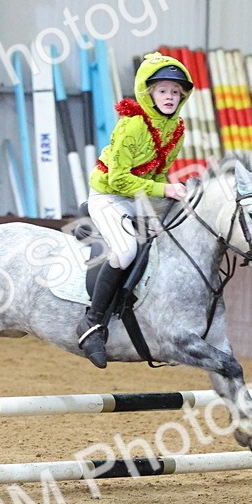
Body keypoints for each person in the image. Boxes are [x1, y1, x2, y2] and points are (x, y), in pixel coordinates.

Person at [76, 52, 193, 368]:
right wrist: (165, 190)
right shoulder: (132, 126)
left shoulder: (176, 130)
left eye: (175, 91)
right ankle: (92, 321)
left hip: (138, 197)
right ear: (149, 93)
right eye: (162, 90)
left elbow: (158, 174)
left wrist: (167, 199)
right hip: (108, 196)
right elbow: (118, 179)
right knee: (126, 250)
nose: (169, 96)